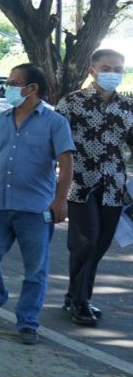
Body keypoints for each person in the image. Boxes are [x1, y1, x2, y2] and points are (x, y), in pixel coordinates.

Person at [0, 64, 75, 345]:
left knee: (35, 269)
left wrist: (61, 199)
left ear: (32, 88)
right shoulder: (0, 120)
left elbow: (67, 161)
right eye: (9, 82)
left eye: (15, 82)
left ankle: (27, 322)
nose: (9, 87)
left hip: (35, 208)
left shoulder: (55, 122)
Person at [56, 49, 133, 326]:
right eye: (106, 68)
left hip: (113, 185)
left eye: (118, 69)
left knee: (99, 244)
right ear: (93, 70)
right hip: (79, 184)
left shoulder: (128, 106)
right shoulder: (71, 103)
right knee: (84, 241)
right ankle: (80, 301)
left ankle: (73, 295)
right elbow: (54, 143)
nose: (112, 73)